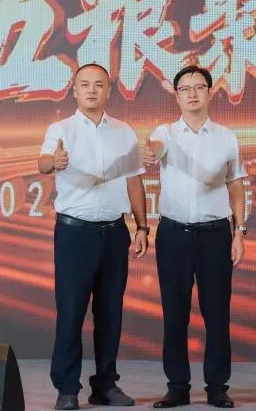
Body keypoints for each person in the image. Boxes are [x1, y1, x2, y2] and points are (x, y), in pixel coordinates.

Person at [38, 63, 148, 411]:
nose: (91, 90)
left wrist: (142, 226)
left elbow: (134, 180)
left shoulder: (124, 132)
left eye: (99, 84)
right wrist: (54, 161)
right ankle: (67, 388)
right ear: (74, 90)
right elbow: (43, 162)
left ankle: (105, 385)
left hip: (114, 232)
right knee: (71, 311)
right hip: (75, 234)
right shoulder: (61, 129)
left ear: (108, 91)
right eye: (84, 84)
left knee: (110, 311)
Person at [143, 65, 248, 409]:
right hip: (173, 233)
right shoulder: (165, 132)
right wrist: (151, 151)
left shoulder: (226, 137)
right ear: (176, 96)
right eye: (184, 88)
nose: (192, 93)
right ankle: (177, 386)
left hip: (215, 234)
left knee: (217, 313)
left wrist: (239, 232)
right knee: (175, 313)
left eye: (198, 87)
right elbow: (155, 147)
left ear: (209, 92)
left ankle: (217, 386)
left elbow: (236, 185)